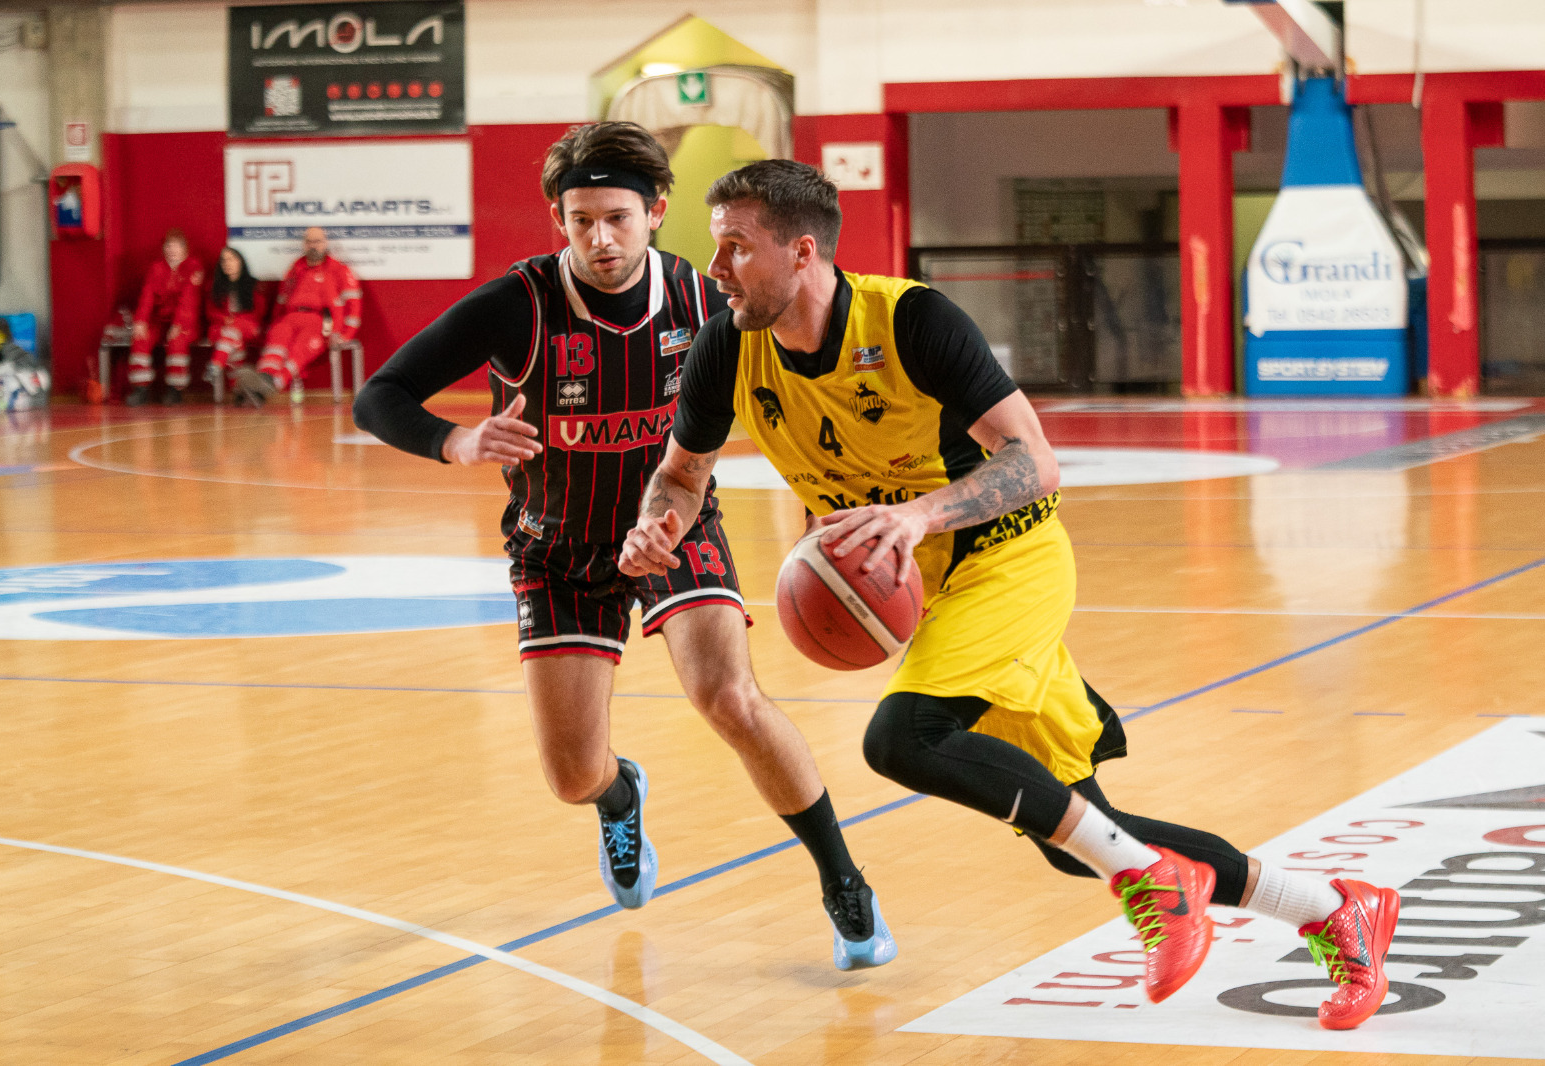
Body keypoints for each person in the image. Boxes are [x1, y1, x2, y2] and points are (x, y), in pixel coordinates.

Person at [620, 159, 1401, 1028]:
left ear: (803, 252)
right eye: (715, 248)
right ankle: (1334, 910)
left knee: (903, 738)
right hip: (928, 589)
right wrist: (658, 525)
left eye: (735, 248)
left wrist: (917, 515)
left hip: (1009, 557)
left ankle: (1153, 880)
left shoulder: (910, 321)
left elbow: (1035, 461)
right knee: (1083, 837)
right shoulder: (726, 348)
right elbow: (681, 475)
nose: (716, 269)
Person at [353, 123, 896, 970]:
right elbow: (379, 395)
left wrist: (823, 508)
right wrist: (455, 441)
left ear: (656, 212)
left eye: (617, 218)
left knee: (730, 699)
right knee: (571, 776)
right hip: (557, 550)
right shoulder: (518, 303)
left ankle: (843, 881)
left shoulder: (705, 302)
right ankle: (619, 795)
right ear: (558, 222)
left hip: (675, 526)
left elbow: (792, 407)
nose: (600, 239)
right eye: (581, 222)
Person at [234, 227, 360, 406]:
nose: (313, 246)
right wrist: (275, 323)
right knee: (275, 344)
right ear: (304, 244)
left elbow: (353, 305)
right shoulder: (296, 268)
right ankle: (263, 379)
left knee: (299, 351)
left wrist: (345, 334)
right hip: (290, 317)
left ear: (325, 243)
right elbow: (282, 299)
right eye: (309, 242)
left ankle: (269, 385)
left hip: (319, 321)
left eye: (317, 241)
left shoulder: (339, 270)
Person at [126, 229, 204, 406]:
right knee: (140, 339)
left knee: (177, 341)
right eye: (168, 246)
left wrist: (179, 324)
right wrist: (140, 321)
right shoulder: (156, 268)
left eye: (176, 246)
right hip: (158, 320)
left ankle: (175, 390)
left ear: (185, 249)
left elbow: (189, 300)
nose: (172, 250)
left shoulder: (193, 268)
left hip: (186, 321)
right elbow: (147, 296)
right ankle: (140, 389)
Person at [205, 246, 270, 401]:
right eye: (224, 260)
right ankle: (239, 390)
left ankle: (216, 365)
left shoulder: (253, 284)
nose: (227, 263)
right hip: (222, 328)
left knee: (233, 333)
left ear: (240, 261)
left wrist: (236, 320)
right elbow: (210, 312)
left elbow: (259, 312)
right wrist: (224, 320)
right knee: (235, 342)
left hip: (247, 326)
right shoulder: (215, 286)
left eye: (231, 259)